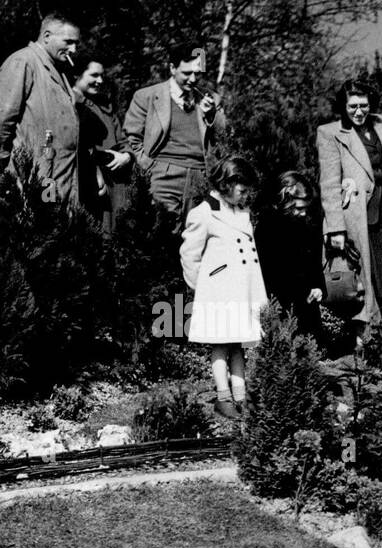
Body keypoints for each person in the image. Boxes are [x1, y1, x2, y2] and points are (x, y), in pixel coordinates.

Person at [317, 79, 382, 331]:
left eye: (364, 105)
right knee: (364, 284)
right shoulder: (330, 133)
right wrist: (336, 229)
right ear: (343, 106)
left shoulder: (381, 126)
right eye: (352, 106)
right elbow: (329, 185)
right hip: (357, 220)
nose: (359, 112)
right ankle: (364, 345)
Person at [179, 156, 267, 420]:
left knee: (239, 345)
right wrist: (203, 289)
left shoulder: (241, 211)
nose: (245, 195)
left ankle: (241, 395)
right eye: (242, 189)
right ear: (228, 183)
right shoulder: (204, 212)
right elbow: (189, 254)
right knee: (220, 346)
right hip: (218, 293)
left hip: (242, 291)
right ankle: (223, 396)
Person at [122, 42, 225, 223]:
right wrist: (150, 167)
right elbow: (131, 138)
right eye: (187, 73)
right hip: (162, 175)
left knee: (197, 238)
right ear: (172, 68)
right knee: (163, 235)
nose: (193, 79)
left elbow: (225, 137)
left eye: (198, 73)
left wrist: (211, 114)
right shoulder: (147, 96)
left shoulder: (211, 99)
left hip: (200, 177)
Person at [0, 10, 82, 204]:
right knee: (38, 231)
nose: (74, 50)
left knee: (58, 230)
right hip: (34, 177)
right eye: (68, 42)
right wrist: (6, 171)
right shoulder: (23, 61)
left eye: (76, 44)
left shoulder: (60, 71)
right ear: (47, 36)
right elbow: (2, 119)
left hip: (60, 180)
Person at [255, 170, 329, 351]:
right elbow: (263, 268)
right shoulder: (267, 223)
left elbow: (313, 260)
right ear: (284, 200)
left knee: (309, 350)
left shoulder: (306, 223)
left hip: (305, 302)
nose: (303, 213)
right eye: (298, 208)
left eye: (305, 208)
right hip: (277, 299)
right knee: (280, 349)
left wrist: (318, 286)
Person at [71, 53, 131, 232]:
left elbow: (122, 139)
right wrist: (95, 173)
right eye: (94, 75)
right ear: (77, 75)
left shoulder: (105, 105)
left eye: (102, 76)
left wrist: (126, 156)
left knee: (116, 235)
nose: (100, 80)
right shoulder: (68, 103)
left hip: (116, 179)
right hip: (88, 180)